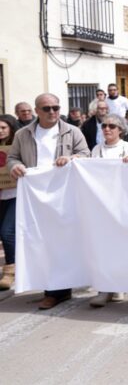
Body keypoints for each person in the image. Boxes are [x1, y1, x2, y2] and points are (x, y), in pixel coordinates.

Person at [7, 93, 90, 309]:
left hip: (64, 194)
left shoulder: (72, 131)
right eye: (47, 108)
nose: (52, 112)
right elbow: (12, 157)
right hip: (35, 195)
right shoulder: (23, 134)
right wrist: (14, 167)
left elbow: (86, 154)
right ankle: (52, 287)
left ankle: (58, 290)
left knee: (62, 241)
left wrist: (72, 158)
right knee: (40, 241)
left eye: (56, 107)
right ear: (37, 111)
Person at [89, 114, 128, 307]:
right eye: (104, 126)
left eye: (112, 126)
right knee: (103, 246)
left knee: (121, 245)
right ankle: (104, 288)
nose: (107, 129)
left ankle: (119, 285)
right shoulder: (97, 149)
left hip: (123, 203)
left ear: (120, 130)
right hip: (102, 204)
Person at [0, 115, 20, 291]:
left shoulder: (18, 146)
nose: (0, 131)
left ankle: (10, 270)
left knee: (6, 232)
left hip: (15, 194)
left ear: (11, 128)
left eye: (3, 127)